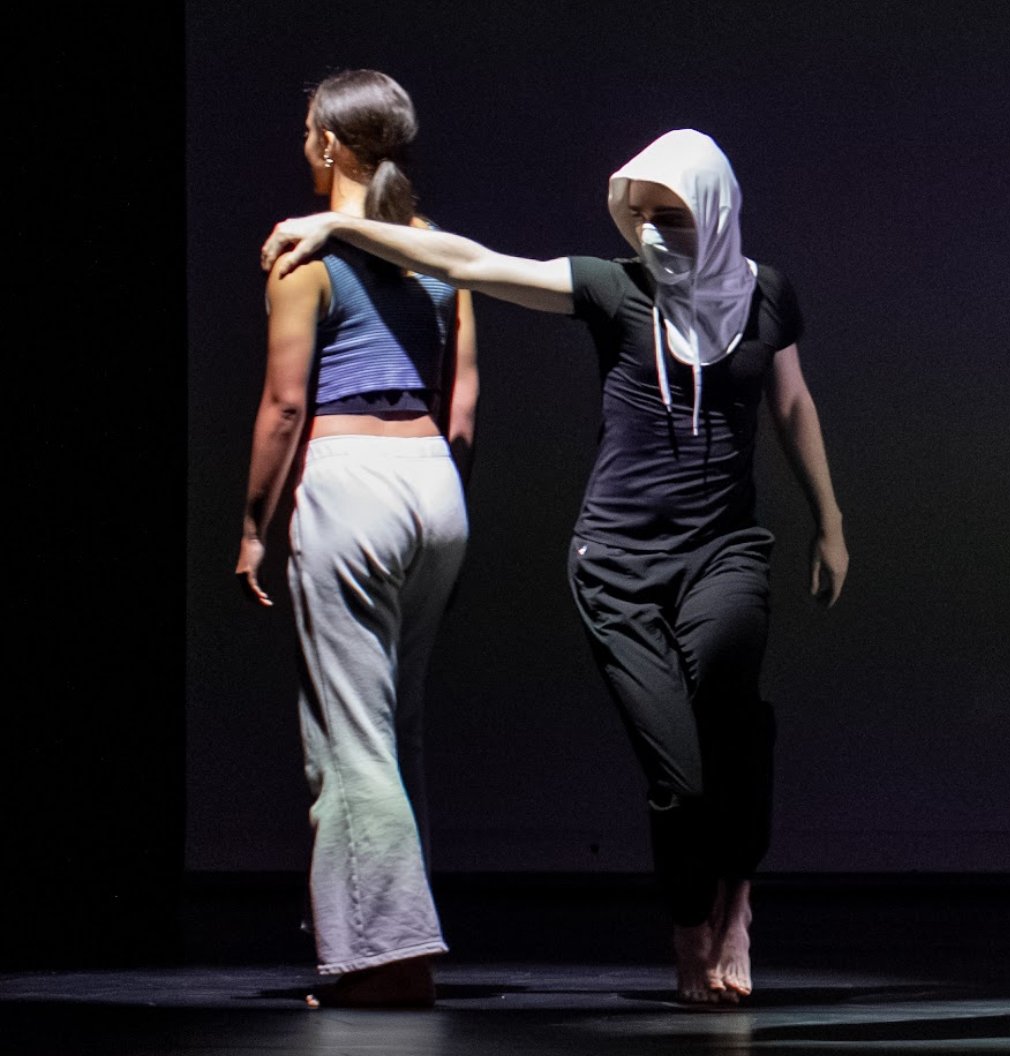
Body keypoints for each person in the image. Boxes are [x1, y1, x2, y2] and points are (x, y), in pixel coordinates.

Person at [259, 128, 848, 1006]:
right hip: (615, 562)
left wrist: (828, 522)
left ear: (713, 211)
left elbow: (791, 401)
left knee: (731, 724)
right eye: (636, 215)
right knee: (678, 779)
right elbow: (471, 262)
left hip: (725, 551)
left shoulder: (765, 296)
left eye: (670, 216)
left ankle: (734, 907)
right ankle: (690, 930)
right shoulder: (615, 289)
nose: (649, 232)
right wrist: (343, 230)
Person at [237, 68, 478, 1008]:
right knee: (392, 725)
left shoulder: (305, 257)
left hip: (353, 485)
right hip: (432, 490)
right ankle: (381, 942)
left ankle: (388, 959)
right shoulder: (435, 251)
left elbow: (286, 405)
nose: (303, 146)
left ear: (332, 146)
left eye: (308, 132)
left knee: (350, 734)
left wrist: (253, 528)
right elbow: (461, 409)